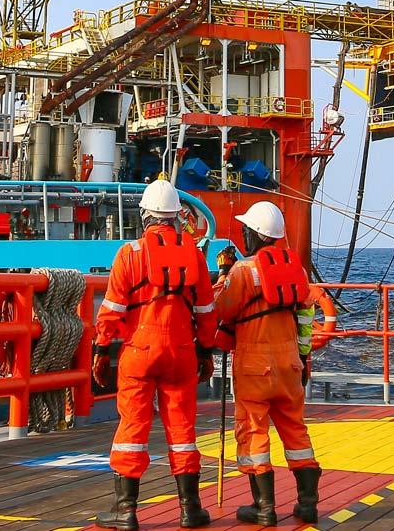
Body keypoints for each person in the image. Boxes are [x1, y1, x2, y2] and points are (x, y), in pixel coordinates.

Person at [92, 178, 217, 530]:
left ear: (145, 216)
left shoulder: (130, 254)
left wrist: (101, 351)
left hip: (140, 351)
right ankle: (190, 509)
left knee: (133, 428)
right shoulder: (193, 253)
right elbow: (207, 311)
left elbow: (112, 310)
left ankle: (125, 510)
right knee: (182, 430)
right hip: (181, 352)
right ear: (177, 218)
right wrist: (206, 351)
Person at [212, 201, 321, 525]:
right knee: (296, 431)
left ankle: (264, 507)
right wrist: (303, 358)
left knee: (253, 431)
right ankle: (307, 504)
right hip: (290, 364)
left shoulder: (243, 271)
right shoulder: (297, 271)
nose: (243, 234)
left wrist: (223, 273)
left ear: (257, 235)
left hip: (255, 366)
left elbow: (221, 309)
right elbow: (305, 316)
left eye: (246, 230)